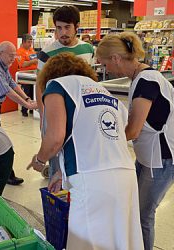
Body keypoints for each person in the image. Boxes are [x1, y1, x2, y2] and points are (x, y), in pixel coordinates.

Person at [28, 52, 143, 249]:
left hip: (91, 181)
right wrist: (60, 172)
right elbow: (98, 138)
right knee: (120, 239)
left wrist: (40, 160)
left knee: (86, 240)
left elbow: (55, 138)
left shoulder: (57, 86)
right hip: (125, 175)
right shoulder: (105, 92)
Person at [96, 32, 174, 250]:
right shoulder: (143, 77)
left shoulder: (147, 82)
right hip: (151, 158)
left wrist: (101, 143)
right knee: (133, 208)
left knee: (143, 216)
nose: (105, 69)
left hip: (163, 161)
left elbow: (133, 130)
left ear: (117, 58)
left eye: (105, 63)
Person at [36, 5, 95, 180]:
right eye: (59, 28)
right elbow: (40, 87)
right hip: (56, 112)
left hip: (81, 112)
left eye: (67, 27)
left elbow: (89, 80)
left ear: (77, 27)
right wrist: (43, 116)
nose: (63, 32)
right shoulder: (46, 54)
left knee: (80, 150)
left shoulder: (88, 50)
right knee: (56, 152)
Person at [0, 41, 37, 186]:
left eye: (14, 55)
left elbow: (12, 84)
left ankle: (3, 173)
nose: (13, 58)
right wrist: (26, 105)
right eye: (11, 55)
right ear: (0, 53)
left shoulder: (2, 65)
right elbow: (6, 91)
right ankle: (4, 174)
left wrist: (27, 98)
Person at [17, 34, 38, 117]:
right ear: (23, 42)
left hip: (33, 74)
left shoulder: (32, 50)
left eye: (31, 42)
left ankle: (32, 109)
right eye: (28, 42)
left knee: (33, 92)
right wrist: (33, 62)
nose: (30, 44)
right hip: (25, 75)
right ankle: (24, 109)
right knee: (26, 92)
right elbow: (22, 64)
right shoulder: (19, 52)